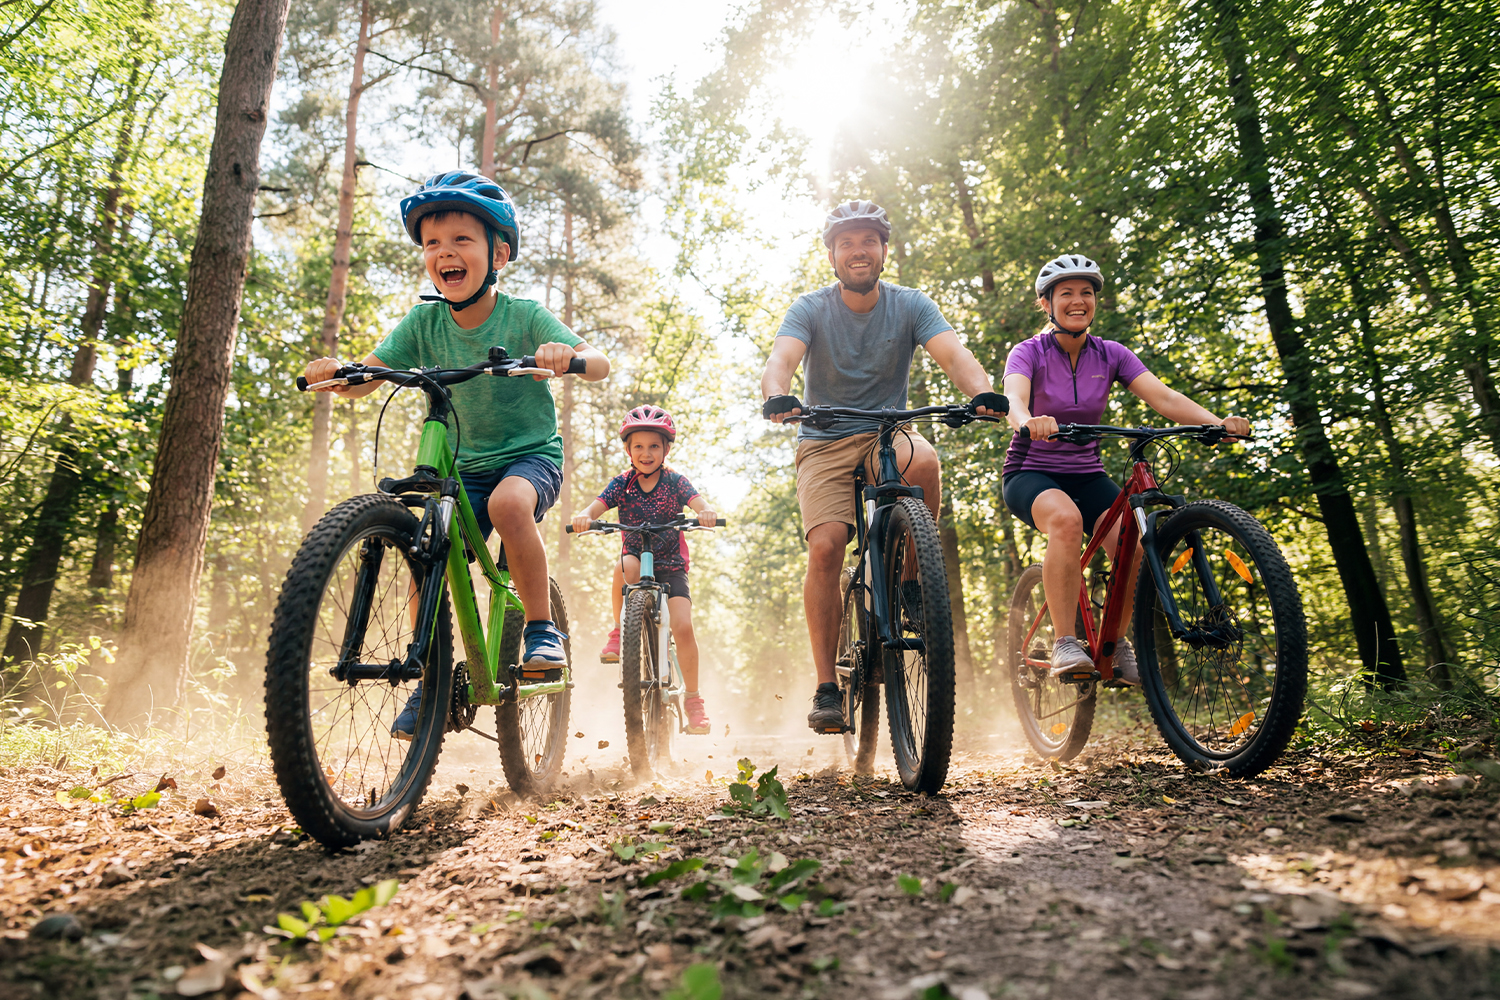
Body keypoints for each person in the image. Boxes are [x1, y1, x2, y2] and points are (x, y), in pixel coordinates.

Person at [302, 171, 611, 739]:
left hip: (528, 457)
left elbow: (598, 359)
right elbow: (370, 371)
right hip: (462, 470)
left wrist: (566, 355)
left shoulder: (522, 316)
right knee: (426, 554)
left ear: (497, 252)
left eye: (461, 240)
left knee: (510, 507)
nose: (444, 252)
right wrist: (340, 371)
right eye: (431, 243)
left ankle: (542, 628)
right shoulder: (423, 321)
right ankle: (435, 677)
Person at [760, 200, 1007, 733]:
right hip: (824, 439)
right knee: (826, 545)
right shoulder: (810, 308)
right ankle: (827, 686)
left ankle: (912, 587)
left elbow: (955, 355)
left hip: (888, 432)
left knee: (926, 465)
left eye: (868, 241)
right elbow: (781, 359)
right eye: (846, 242)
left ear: (883, 250)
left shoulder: (911, 304)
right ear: (831, 255)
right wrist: (778, 395)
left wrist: (983, 391)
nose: (858, 251)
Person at [1002, 253, 1249, 683]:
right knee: (1065, 520)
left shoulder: (1110, 354)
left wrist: (1215, 424)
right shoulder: (1029, 353)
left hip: (1087, 473)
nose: (1078, 301)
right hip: (1031, 472)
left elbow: (1165, 398)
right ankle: (1064, 642)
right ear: (1046, 304)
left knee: (1133, 544)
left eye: (1086, 293)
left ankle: (1115, 646)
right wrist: (1027, 422)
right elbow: (1014, 399)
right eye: (1066, 294)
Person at [571, 406, 717, 734]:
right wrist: (584, 515)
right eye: (638, 446)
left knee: (682, 626)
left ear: (666, 449)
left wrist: (705, 512)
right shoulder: (622, 483)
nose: (646, 453)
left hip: (671, 566)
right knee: (624, 563)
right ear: (628, 450)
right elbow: (596, 506)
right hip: (636, 560)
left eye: (654, 446)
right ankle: (619, 630)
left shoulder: (675, 481)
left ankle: (693, 700)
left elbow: (697, 501)